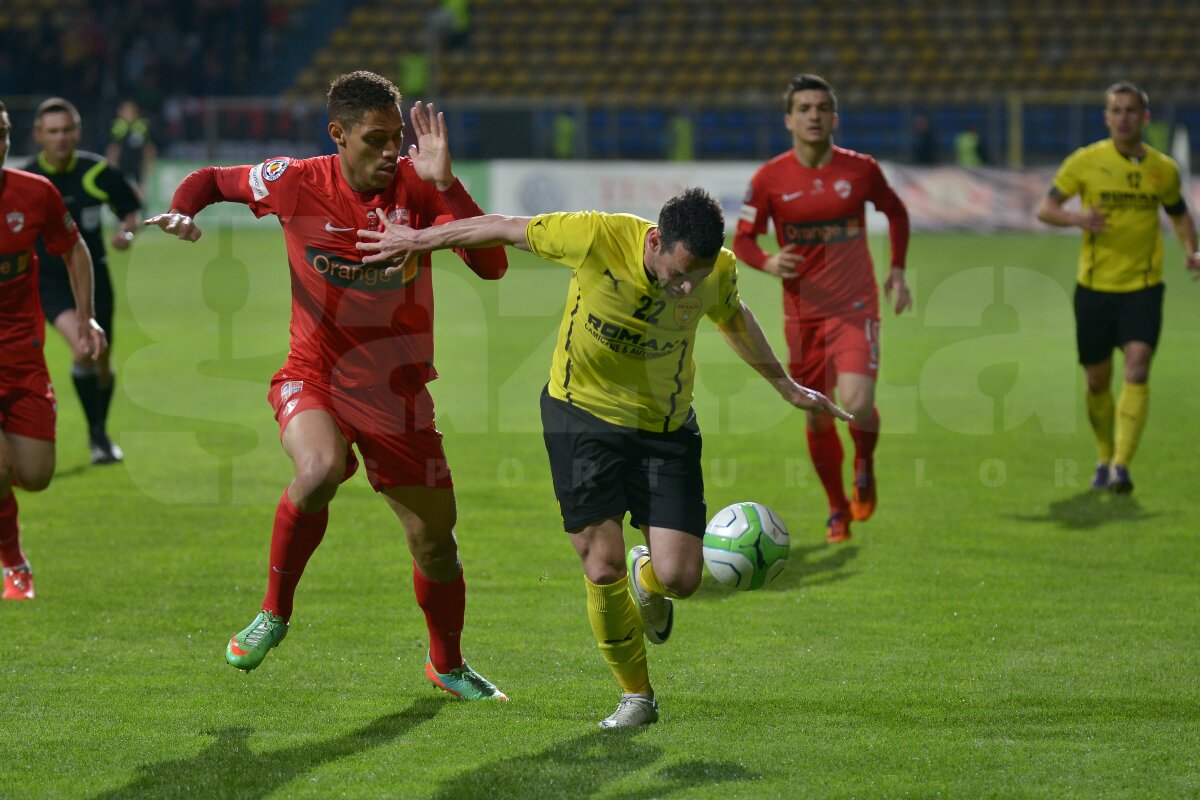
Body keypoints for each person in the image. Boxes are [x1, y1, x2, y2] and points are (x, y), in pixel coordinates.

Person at [356, 187, 850, 728]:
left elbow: (733, 315)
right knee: (601, 561)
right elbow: (501, 226)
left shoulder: (717, 272)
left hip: (665, 428)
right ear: (655, 241)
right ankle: (637, 696)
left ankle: (648, 575)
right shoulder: (597, 236)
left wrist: (785, 385)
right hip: (582, 417)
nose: (687, 287)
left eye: (697, 277)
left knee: (682, 577)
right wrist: (415, 240)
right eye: (679, 273)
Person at [142, 71, 510, 700]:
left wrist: (447, 184)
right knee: (318, 469)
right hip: (314, 375)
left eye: (396, 138)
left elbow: (492, 265)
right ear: (337, 134)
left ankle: (446, 665)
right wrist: (182, 208)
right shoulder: (294, 180)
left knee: (435, 547)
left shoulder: (419, 187)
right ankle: (273, 612)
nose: (391, 151)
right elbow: (212, 179)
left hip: (397, 397)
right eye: (375, 139)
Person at [732, 73, 912, 544]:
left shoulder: (861, 170)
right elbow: (744, 239)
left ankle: (864, 462)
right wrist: (769, 261)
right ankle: (836, 507)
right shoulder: (770, 179)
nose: (814, 116)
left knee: (857, 402)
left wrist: (897, 269)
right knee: (816, 411)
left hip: (856, 304)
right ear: (789, 119)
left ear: (835, 117)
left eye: (822, 108)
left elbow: (895, 211)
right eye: (805, 108)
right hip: (803, 313)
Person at [1036, 81, 1200, 494]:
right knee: (1097, 381)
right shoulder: (1086, 162)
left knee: (1137, 366)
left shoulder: (1163, 169)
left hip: (1143, 286)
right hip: (1095, 288)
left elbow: (1179, 213)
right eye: (1117, 110)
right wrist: (1079, 219)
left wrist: (1192, 250)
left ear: (1144, 118)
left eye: (1131, 111)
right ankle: (1104, 455)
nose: (1124, 118)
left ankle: (1122, 466)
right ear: (1106, 118)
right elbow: (1046, 209)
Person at [0, 99, 107, 601]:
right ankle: (15, 565)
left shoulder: (34, 193)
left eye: (1, 136)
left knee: (36, 474)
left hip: (22, 354)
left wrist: (86, 316)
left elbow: (74, 249)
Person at [23, 97, 142, 465]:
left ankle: (99, 433)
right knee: (84, 349)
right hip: (51, 282)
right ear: (38, 135)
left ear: (77, 132)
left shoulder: (97, 172)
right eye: (52, 131)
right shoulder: (29, 180)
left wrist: (126, 232)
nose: (60, 138)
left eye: (66, 130)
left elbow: (130, 209)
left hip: (94, 278)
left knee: (102, 361)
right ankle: (97, 437)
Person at [105, 99, 157, 192]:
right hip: (122, 164)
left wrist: (149, 162)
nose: (127, 113)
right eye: (125, 110)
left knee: (139, 191)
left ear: (135, 111)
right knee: (121, 190)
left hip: (137, 164)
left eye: (130, 110)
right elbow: (113, 147)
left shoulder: (142, 125)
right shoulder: (117, 126)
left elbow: (148, 146)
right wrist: (111, 163)